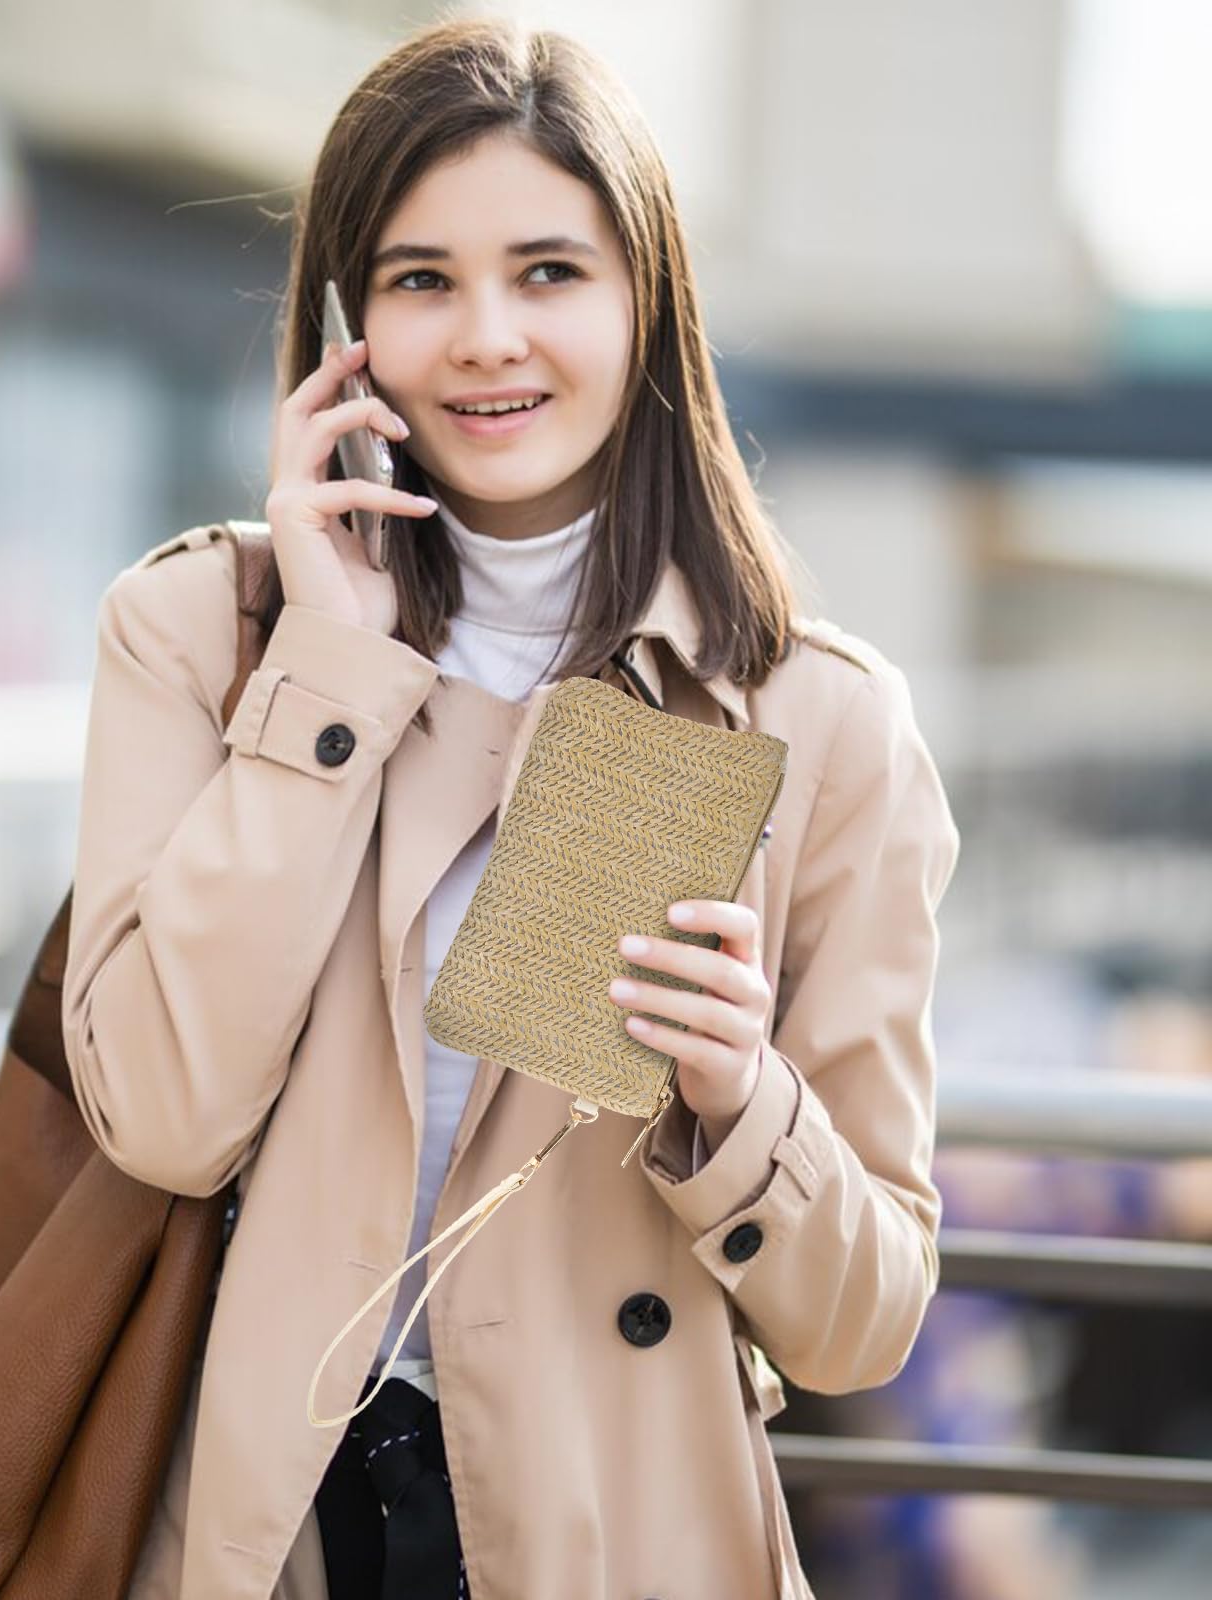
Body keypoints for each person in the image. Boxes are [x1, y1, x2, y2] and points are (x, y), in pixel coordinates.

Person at [60, 17, 960, 1600]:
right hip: (270, 1523)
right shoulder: (203, 635)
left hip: (611, 1537)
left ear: (645, 302)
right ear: (344, 322)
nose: (486, 337)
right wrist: (329, 675)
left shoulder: (812, 718)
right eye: (422, 279)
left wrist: (740, 1099)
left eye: (550, 272)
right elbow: (165, 1117)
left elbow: (863, 1320)